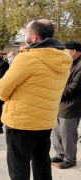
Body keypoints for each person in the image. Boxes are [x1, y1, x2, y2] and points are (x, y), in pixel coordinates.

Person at [0, 19, 72, 180]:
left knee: (19, 165)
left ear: (34, 37)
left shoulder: (28, 58)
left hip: (21, 121)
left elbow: (2, 90)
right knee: (42, 162)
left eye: (25, 33)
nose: (24, 36)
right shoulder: (64, 59)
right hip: (45, 120)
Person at [51, 40, 81, 169]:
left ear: (73, 51)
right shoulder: (68, 63)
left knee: (67, 134)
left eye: (65, 51)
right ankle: (60, 153)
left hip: (70, 105)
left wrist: (56, 92)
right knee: (57, 131)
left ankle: (70, 158)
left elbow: (75, 87)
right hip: (59, 103)